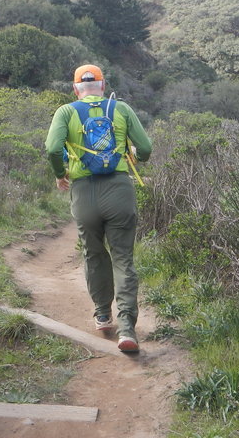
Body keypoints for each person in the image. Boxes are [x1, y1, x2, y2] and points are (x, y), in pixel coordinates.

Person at [45, 64, 152, 352]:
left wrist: (60, 174)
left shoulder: (66, 112)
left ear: (75, 89)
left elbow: (53, 149)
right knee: (123, 259)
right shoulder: (121, 109)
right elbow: (146, 149)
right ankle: (127, 329)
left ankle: (103, 315)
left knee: (93, 253)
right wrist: (134, 155)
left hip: (83, 192)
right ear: (103, 86)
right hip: (119, 190)